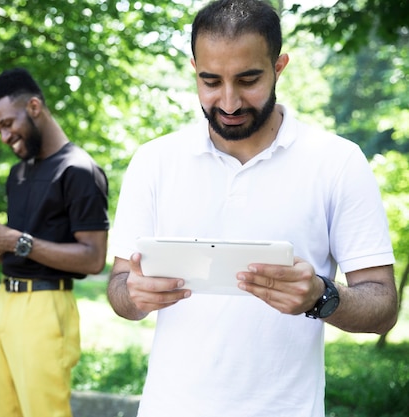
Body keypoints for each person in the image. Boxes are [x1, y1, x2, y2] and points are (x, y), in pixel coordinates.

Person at [106, 1, 398, 416]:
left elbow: (383, 306)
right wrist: (134, 294)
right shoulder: (154, 161)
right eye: (210, 81)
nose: (228, 101)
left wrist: (322, 296)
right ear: (194, 69)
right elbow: (120, 288)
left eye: (248, 80)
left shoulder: (337, 162)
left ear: (279, 66)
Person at [0, 67, 109, 417]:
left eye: (7, 123)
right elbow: (21, 248)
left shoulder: (79, 170)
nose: (4, 136)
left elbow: (94, 258)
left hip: (47, 307)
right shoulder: (17, 173)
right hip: (3, 303)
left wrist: (13, 239)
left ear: (34, 106)